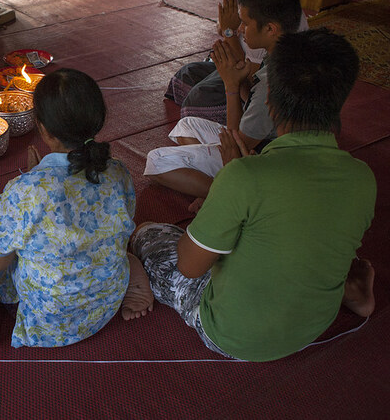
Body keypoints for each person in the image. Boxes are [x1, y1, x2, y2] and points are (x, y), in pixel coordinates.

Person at [131, 28, 376, 362]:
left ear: (270, 101)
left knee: (148, 234)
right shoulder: (363, 177)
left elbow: (189, 266)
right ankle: (352, 291)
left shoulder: (245, 176)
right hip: (314, 324)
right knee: (310, 234)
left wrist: (224, 187)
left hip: (234, 335)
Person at [0, 68, 154, 348]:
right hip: (103, 304)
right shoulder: (119, 172)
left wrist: (35, 181)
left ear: (43, 128)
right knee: (122, 251)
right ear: (97, 120)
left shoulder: (26, 191)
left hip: (50, 320)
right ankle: (131, 277)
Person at [145, 0, 302, 200]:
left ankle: (224, 193)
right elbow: (250, 98)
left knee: (156, 160)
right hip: (262, 143)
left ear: (270, 28)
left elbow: (237, 145)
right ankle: (213, 178)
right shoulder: (285, 52)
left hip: (263, 158)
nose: (241, 29)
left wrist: (230, 86)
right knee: (186, 124)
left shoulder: (274, 80)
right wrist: (237, 80)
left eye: (245, 24)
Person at [166, 0, 307, 124]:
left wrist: (229, 34)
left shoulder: (270, 23)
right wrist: (227, 28)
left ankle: (239, 112)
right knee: (185, 76)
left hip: (251, 80)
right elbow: (224, 26)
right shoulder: (257, 4)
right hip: (238, 65)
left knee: (197, 99)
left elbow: (249, 76)